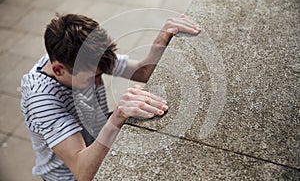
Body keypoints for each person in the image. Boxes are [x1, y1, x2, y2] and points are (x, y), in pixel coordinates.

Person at [20, 13, 200, 181]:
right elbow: (82, 171)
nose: (99, 84)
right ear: (58, 70)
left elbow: (142, 72)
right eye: (92, 78)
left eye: (101, 74)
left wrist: (160, 40)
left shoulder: (83, 58)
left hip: (95, 136)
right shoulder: (42, 99)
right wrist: (117, 118)